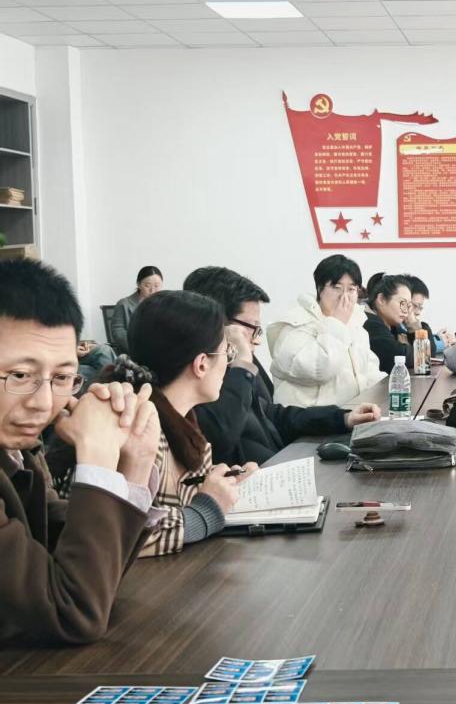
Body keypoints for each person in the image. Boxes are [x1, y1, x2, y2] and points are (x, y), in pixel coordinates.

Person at [0, 258, 161, 644]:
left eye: (62, 377)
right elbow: (72, 612)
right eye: (20, 375)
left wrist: (135, 461)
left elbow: (87, 574)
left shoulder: (20, 453)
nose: (43, 403)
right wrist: (98, 456)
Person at [98, 291, 256, 556]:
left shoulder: (180, 421)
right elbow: (120, 539)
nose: (228, 364)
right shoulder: (135, 425)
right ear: (201, 364)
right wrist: (207, 509)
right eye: (227, 353)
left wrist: (224, 485)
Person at [183, 267, 380, 465]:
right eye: (251, 328)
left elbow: (272, 415)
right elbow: (220, 438)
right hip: (251, 477)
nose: (257, 340)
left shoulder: (240, 363)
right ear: (218, 323)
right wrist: (241, 366)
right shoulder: (200, 375)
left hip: (278, 463)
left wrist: (342, 418)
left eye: (351, 289)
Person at [267, 255, 384, 408]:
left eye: (351, 289)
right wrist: (337, 322)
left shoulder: (355, 323)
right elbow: (319, 370)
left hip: (349, 415)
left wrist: (392, 387)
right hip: (310, 418)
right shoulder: (296, 323)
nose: (345, 296)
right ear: (320, 289)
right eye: (337, 288)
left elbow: (368, 372)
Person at [363, 274, 415, 373]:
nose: (406, 311)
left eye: (408, 306)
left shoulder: (392, 324)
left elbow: (427, 351)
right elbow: (398, 355)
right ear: (381, 299)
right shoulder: (367, 320)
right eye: (402, 303)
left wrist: (413, 324)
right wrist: (420, 352)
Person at [109, 266, 163, 355]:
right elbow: (118, 332)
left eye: (157, 286)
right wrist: (137, 349)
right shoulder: (124, 304)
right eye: (147, 285)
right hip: (132, 353)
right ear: (139, 284)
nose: (152, 290)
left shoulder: (165, 304)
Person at [401, 275, 456, 355]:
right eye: (415, 306)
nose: (418, 313)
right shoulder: (394, 328)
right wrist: (441, 343)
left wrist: (440, 341)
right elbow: (424, 354)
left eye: (420, 307)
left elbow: (430, 352)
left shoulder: (422, 326)